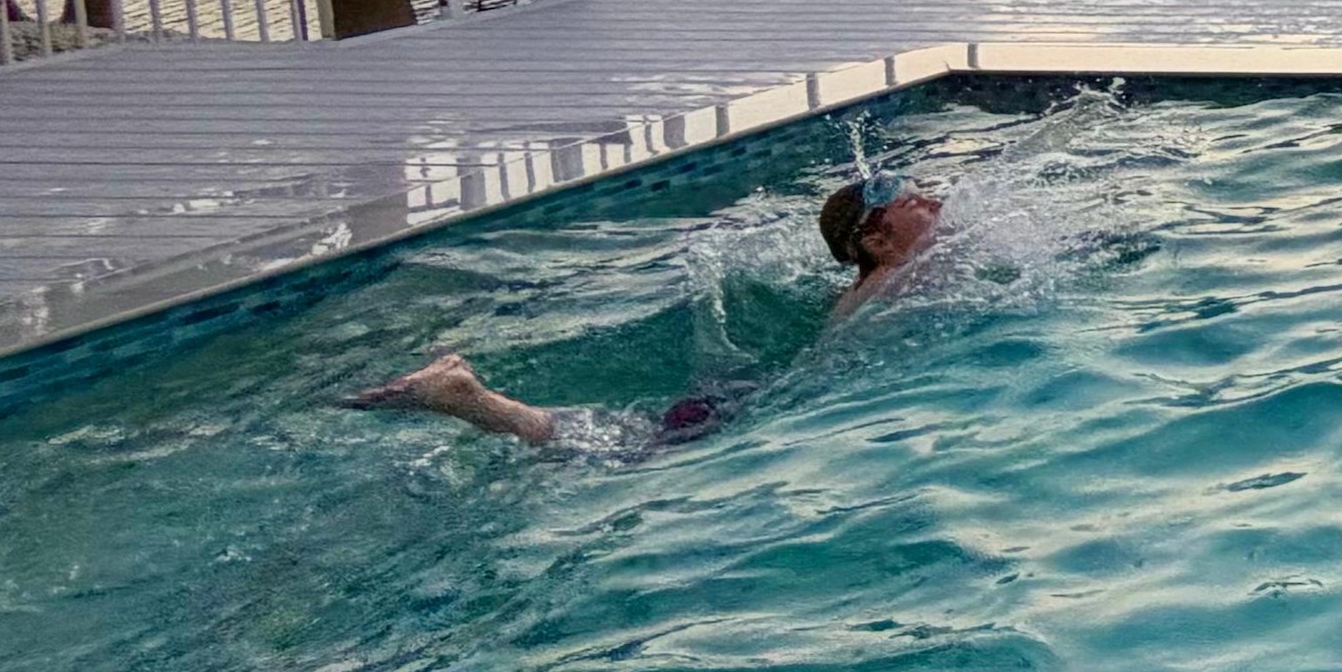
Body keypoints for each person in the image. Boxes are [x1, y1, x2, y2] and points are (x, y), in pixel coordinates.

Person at [348, 175, 947, 454]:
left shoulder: (879, 279)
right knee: (620, 453)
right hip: (751, 402)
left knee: (621, 438)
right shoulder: (896, 277)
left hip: (752, 387)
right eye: (906, 199)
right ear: (875, 239)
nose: (929, 199)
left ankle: (463, 396)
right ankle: (465, 397)